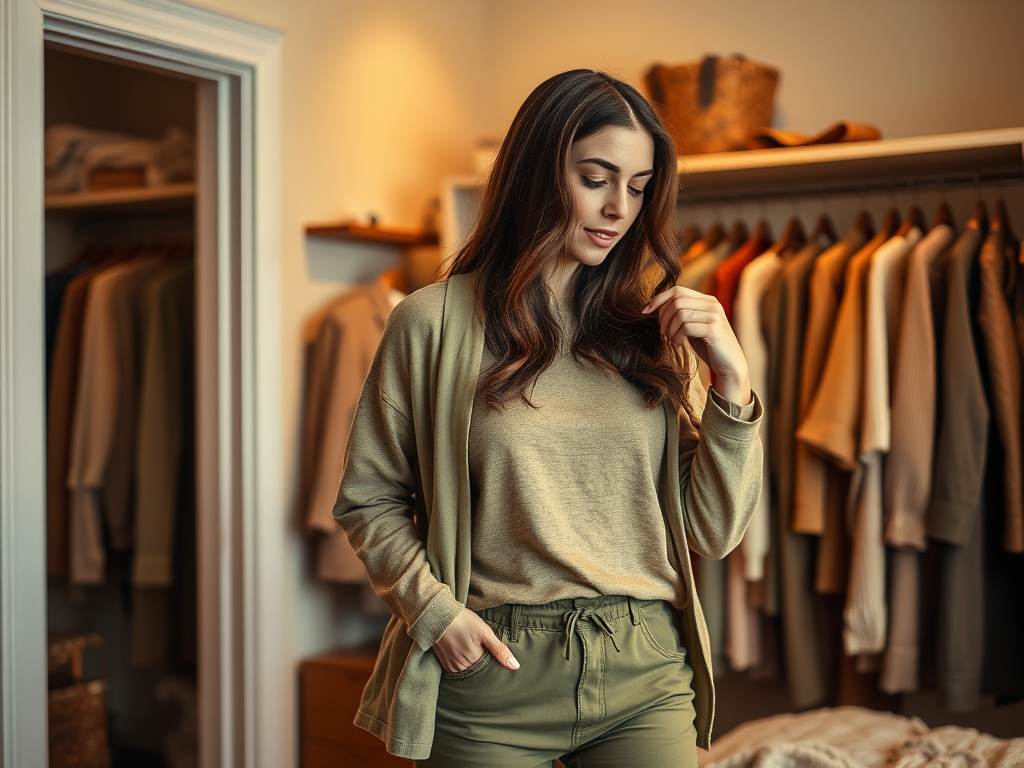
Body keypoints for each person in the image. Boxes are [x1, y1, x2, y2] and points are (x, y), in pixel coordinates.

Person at [333, 69, 763, 768]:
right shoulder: (432, 323)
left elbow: (712, 530)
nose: (619, 207)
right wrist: (437, 617)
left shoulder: (653, 329)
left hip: (644, 666)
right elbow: (369, 499)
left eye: (638, 185)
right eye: (597, 177)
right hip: (493, 668)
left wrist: (732, 382)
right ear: (538, 172)